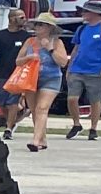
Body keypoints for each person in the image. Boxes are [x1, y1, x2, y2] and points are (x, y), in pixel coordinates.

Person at [8, 17, 68, 152]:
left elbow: (63, 62)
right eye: (37, 24)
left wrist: (50, 48)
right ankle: (42, 138)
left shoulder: (57, 42)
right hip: (31, 79)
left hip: (51, 78)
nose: (38, 27)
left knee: (42, 108)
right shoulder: (29, 42)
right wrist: (29, 57)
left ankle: (35, 141)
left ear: (50, 28)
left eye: (42, 24)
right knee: (35, 109)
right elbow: (18, 61)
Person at [65, 10, 101, 139]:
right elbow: (76, 48)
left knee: (94, 100)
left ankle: (93, 128)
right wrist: (69, 66)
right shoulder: (81, 28)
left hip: (97, 69)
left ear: (95, 14)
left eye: (86, 12)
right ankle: (76, 124)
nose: (83, 14)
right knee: (72, 98)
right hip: (77, 68)